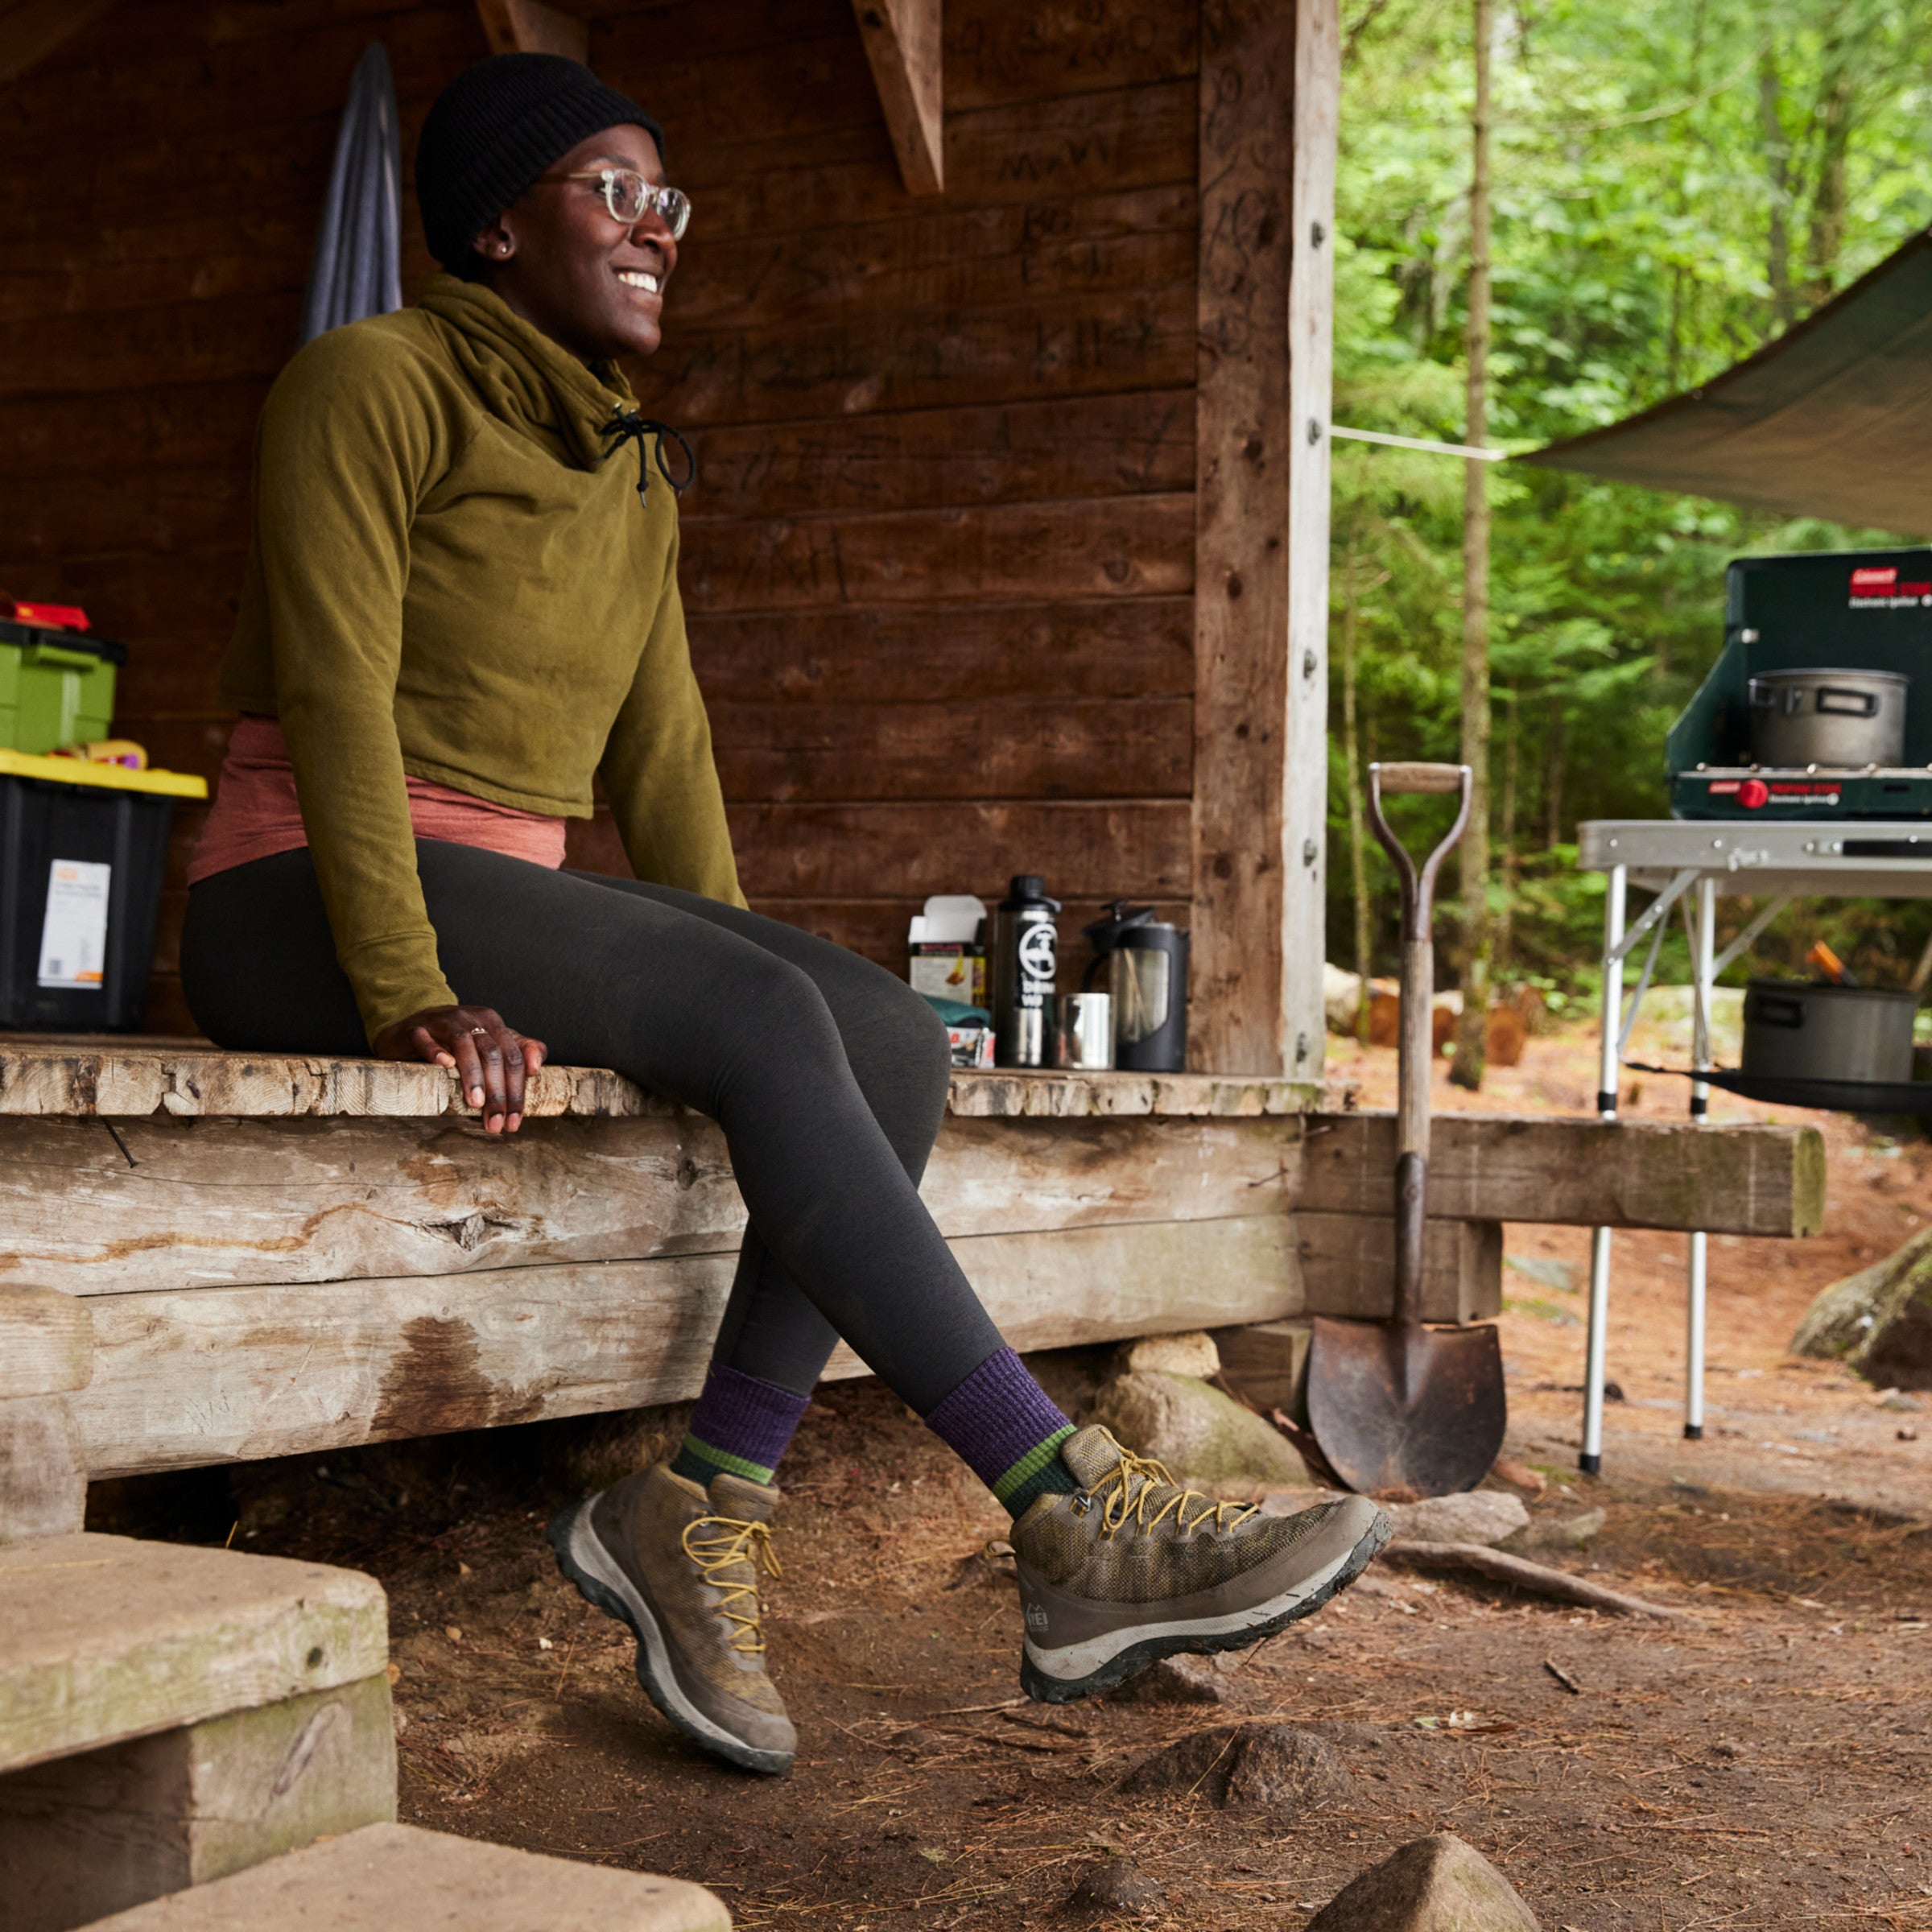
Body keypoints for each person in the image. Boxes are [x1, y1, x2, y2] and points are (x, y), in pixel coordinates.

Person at [180, 53, 1389, 1777]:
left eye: (667, 201)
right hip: (298, 895)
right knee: (773, 1024)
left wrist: (752, 999)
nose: (656, 229)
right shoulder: (367, 384)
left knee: (882, 1033)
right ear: (495, 224)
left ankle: (703, 1503)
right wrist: (409, 986)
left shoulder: (628, 467)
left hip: (492, 891)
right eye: (612, 190)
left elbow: (665, 757)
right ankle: (1068, 1509)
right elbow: (337, 699)